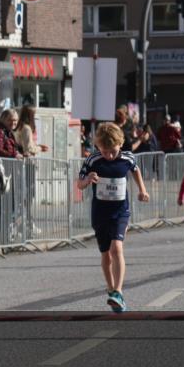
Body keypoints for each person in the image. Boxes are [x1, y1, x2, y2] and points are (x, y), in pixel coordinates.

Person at [76, 122, 150, 313]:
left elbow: (135, 170)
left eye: (113, 151)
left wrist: (142, 190)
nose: (109, 155)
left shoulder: (127, 157)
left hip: (120, 211)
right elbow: (79, 184)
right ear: (98, 146)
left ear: (120, 144)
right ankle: (110, 289)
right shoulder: (93, 160)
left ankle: (118, 291)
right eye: (105, 151)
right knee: (105, 254)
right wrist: (87, 179)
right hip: (100, 213)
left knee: (116, 247)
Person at [14, 105, 50, 237]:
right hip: (28, 164)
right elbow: (28, 148)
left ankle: (26, 224)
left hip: (23, 164)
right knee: (28, 197)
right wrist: (39, 148)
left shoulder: (19, 127)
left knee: (24, 197)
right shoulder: (27, 128)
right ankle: (27, 225)